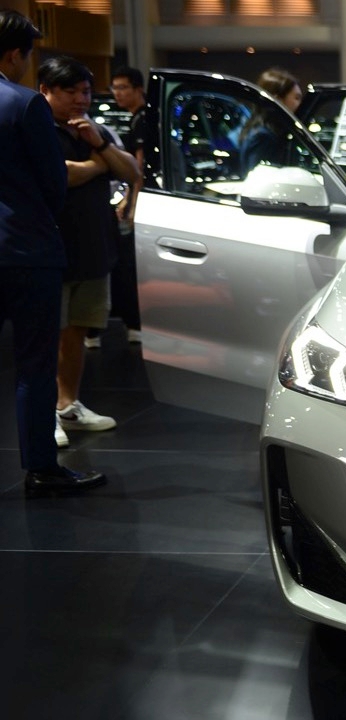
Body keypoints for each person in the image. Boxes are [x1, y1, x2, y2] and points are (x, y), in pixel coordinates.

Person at [0, 10, 105, 494]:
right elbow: (52, 181)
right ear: (14, 55)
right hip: (26, 249)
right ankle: (41, 469)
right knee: (35, 365)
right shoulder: (24, 103)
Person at [40, 56, 141, 448]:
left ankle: (68, 404)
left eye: (85, 91)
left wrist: (99, 145)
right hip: (50, 249)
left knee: (78, 331)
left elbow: (131, 172)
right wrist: (100, 165)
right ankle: (44, 413)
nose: (81, 99)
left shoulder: (95, 131)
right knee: (47, 336)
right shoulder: (36, 127)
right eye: (70, 92)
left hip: (94, 248)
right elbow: (62, 175)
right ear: (45, 90)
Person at [107, 65, 146, 344]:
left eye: (123, 88)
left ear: (138, 89)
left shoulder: (141, 119)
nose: (117, 93)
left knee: (129, 266)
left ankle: (135, 323)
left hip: (139, 202)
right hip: (132, 197)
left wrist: (133, 205)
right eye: (115, 88)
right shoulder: (136, 118)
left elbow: (139, 169)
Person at [240, 67, 302, 173]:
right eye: (296, 98)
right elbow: (258, 178)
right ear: (278, 100)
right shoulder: (263, 137)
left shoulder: (270, 133)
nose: (300, 104)